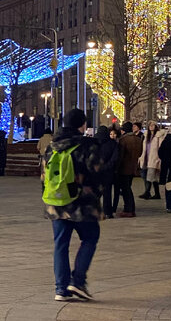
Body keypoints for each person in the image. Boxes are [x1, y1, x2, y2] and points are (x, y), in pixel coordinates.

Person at [42, 108, 102, 301]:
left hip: (56, 202)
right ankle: (77, 281)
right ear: (81, 125)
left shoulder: (52, 146)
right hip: (81, 203)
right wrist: (96, 194)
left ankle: (61, 289)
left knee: (60, 244)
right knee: (91, 237)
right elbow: (97, 173)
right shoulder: (86, 145)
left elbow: (44, 176)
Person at [115, 121, 142, 217]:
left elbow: (120, 156)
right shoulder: (138, 139)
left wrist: (117, 167)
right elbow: (140, 153)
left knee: (126, 189)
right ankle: (131, 209)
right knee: (128, 188)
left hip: (124, 168)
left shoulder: (123, 140)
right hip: (133, 167)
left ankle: (128, 209)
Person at [94, 125, 118, 218]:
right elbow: (115, 158)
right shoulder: (112, 143)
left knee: (95, 192)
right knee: (107, 192)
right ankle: (107, 212)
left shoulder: (93, 143)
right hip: (108, 171)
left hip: (96, 171)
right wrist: (108, 166)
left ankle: (94, 210)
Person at [140, 121, 165, 200]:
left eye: (153, 125)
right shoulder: (146, 135)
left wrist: (159, 158)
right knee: (153, 177)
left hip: (154, 158)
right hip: (146, 158)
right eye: (150, 125)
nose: (151, 126)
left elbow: (160, 147)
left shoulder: (158, 136)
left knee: (150, 176)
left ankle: (147, 192)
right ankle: (157, 194)